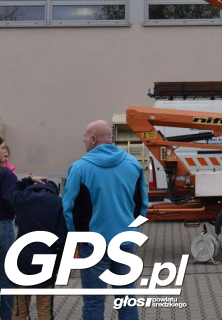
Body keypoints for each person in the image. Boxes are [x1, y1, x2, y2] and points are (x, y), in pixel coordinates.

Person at [62, 120, 148, 320]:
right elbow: (142, 205)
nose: (83, 141)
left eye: (84, 137)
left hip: (93, 245)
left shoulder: (79, 168)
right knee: (127, 298)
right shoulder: (133, 164)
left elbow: (69, 209)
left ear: (93, 139)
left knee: (93, 302)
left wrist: (77, 239)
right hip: (125, 243)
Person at [7, 176, 67, 320]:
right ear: (55, 191)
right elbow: (64, 239)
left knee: (19, 310)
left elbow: (11, 190)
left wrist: (28, 179)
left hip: (21, 260)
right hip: (46, 261)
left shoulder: (22, 199)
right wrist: (58, 264)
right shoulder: (59, 204)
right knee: (44, 310)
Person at [0, 137, 16, 320]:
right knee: (7, 274)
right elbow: (10, 199)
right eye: (2, 148)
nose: (5, 151)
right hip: (2, 226)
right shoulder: (5, 174)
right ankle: (7, 316)